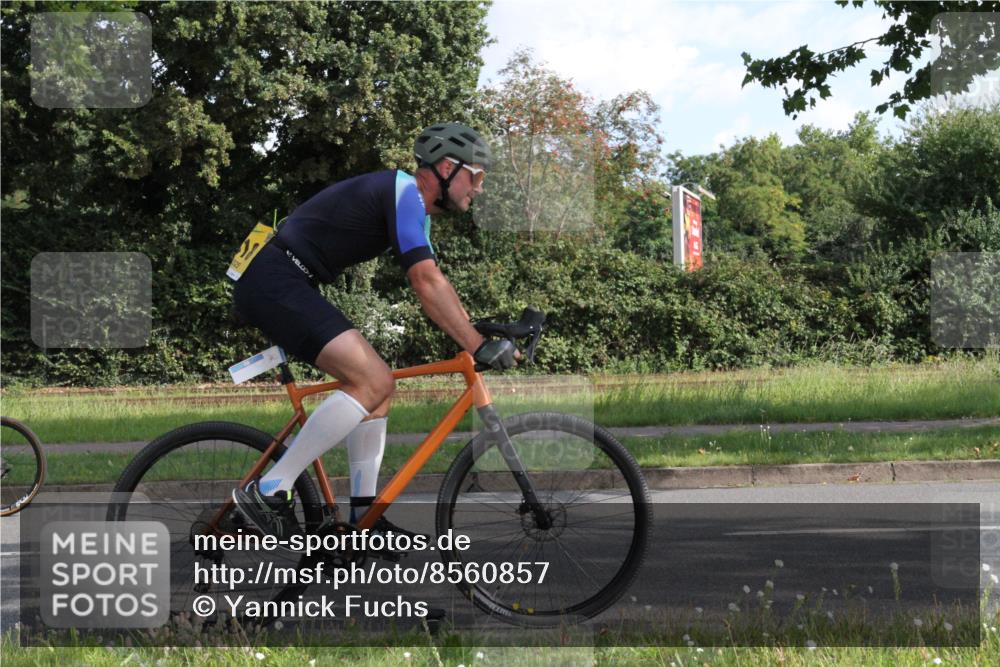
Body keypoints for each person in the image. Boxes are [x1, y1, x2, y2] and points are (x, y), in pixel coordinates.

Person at [231, 122, 518, 540]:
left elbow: (434, 283)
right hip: (274, 279)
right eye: (476, 176)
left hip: (283, 278)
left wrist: (477, 332)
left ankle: (363, 517)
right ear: (445, 168)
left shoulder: (410, 206)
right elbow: (426, 282)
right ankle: (271, 488)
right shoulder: (403, 191)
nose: (479, 188)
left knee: (380, 390)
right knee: (372, 379)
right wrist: (477, 345)